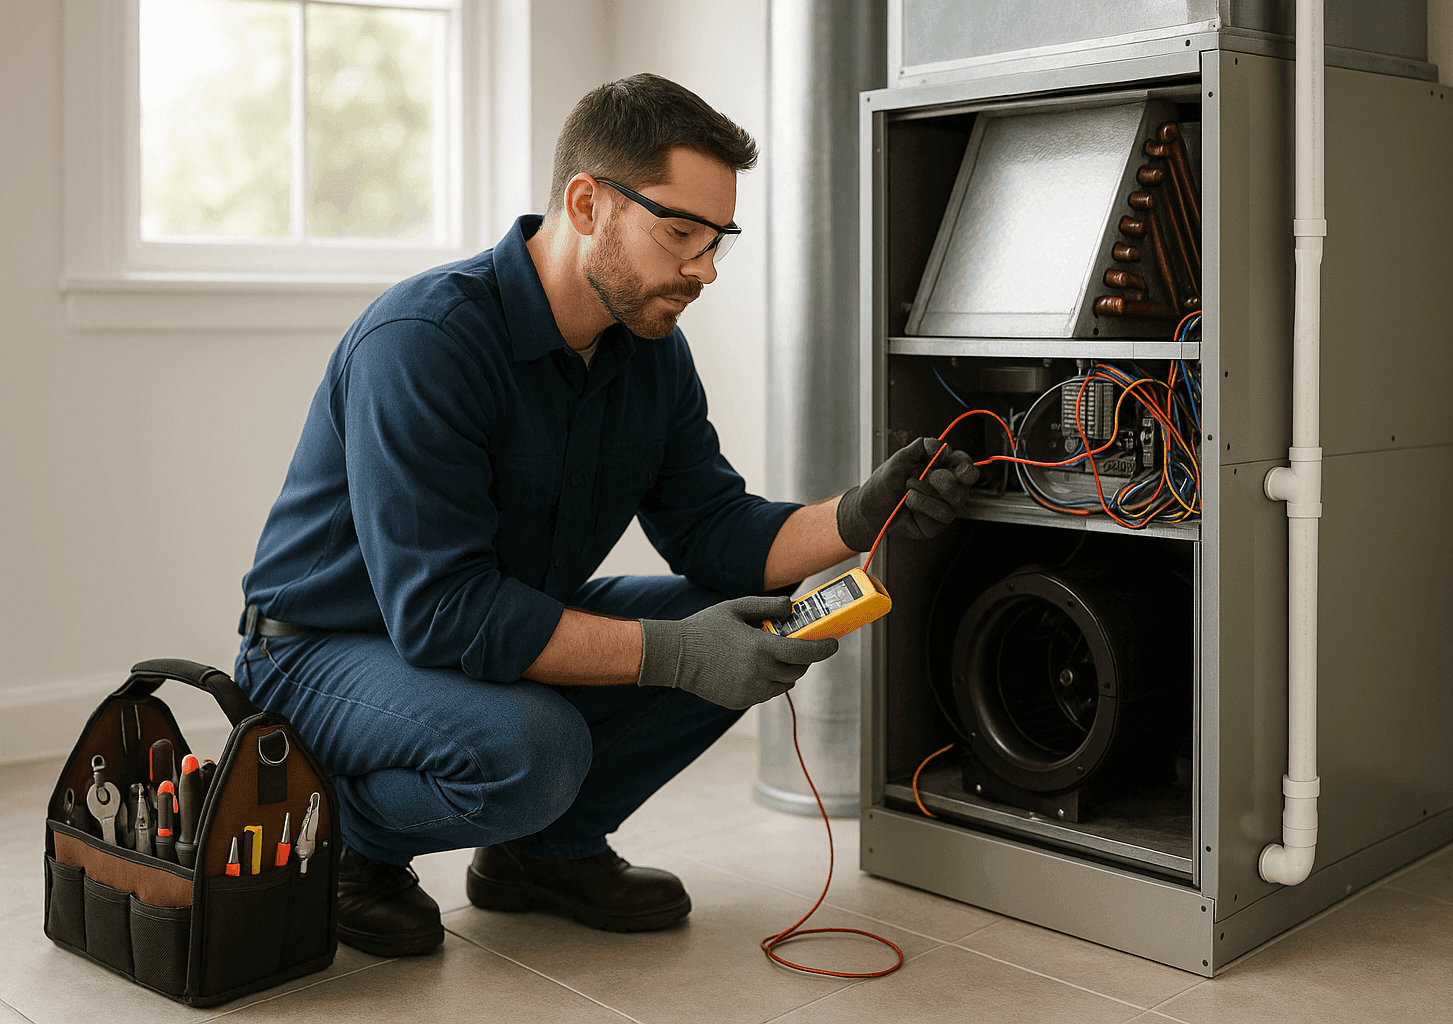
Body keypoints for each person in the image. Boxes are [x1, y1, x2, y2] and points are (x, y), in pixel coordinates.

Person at [235, 72, 978, 957]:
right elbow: (440, 614)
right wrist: (670, 656)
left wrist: (859, 514)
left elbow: (712, 530)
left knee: (745, 627)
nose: (703, 269)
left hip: (467, 638)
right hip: (317, 651)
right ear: (587, 203)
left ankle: (541, 854)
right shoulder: (425, 344)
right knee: (537, 744)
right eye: (681, 233)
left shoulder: (649, 351)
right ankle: (348, 845)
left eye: (718, 240)